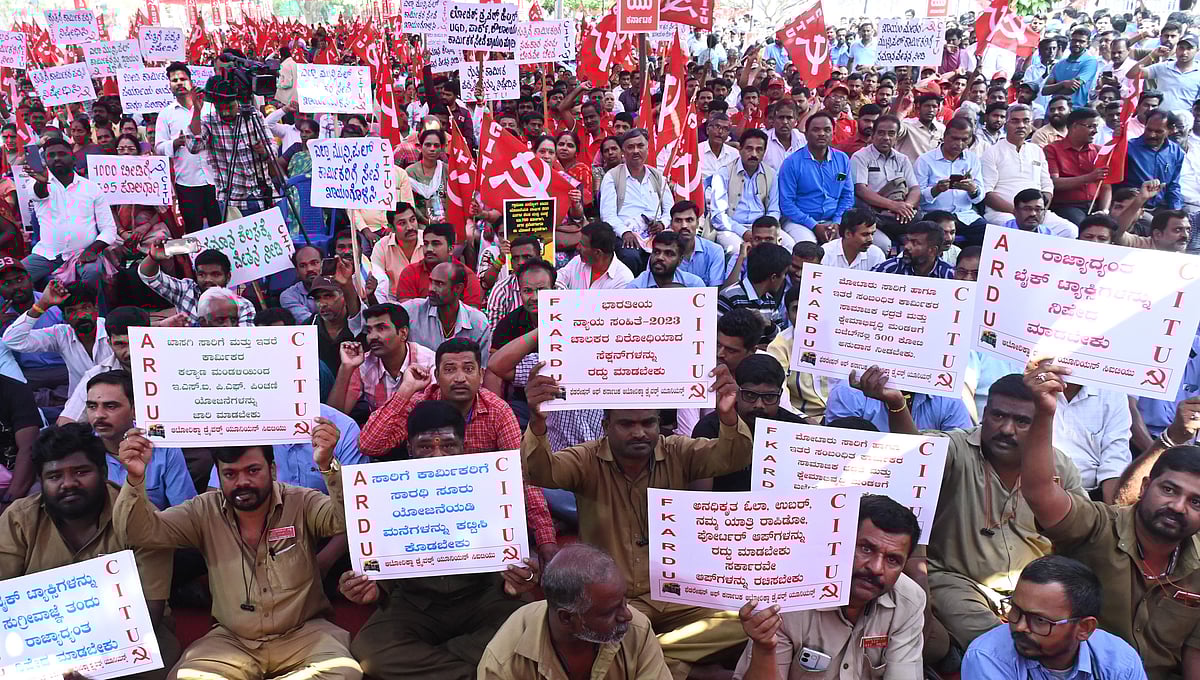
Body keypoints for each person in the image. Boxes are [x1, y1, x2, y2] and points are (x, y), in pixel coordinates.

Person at [522, 360, 751, 679]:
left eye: (648, 422)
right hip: (616, 604)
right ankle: (681, 666)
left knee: (747, 618)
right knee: (596, 632)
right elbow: (538, 471)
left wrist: (727, 417)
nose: (640, 432)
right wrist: (537, 422)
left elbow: (734, 456)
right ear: (606, 425)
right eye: (627, 424)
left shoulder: (677, 452)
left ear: (660, 424)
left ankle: (658, 658)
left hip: (676, 595)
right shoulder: (587, 459)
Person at [858, 367, 1085, 655]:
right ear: (984, 412)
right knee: (1000, 644)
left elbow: (1080, 532)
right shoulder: (957, 447)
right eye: (998, 415)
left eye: (1022, 421)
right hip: (957, 581)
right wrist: (896, 404)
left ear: (1041, 423)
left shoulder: (1060, 466)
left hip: (1035, 587)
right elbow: (914, 456)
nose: (1006, 429)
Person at [114, 417, 361, 680]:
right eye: (230, 474)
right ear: (219, 476)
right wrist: (135, 478)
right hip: (233, 641)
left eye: (253, 470)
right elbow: (138, 533)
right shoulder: (203, 510)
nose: (242, 482)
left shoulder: (301, 501)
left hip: (305, 634)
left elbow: (348, 519)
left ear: (273, 470)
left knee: (342, 673)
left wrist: (327, 467)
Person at [1019, 359, 1200, 680]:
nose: (1177, 506)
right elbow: (1039, 491)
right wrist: (1044, 412)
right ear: (1145, 487)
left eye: (1196, 501)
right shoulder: (1098, 526)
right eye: (1170, 489)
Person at [342, 400, 543, 680]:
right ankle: (481, 668)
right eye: (426, 447)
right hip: (415, 603)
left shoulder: (492, 483)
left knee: (530, 628)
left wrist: (522, 575)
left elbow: (517, 557)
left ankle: (438, 664)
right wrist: (370, 588)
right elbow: (379, 568)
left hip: (483, 597)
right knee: (369, 651)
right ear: (410, 449)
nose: (437, 456)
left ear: (463, 446)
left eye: (448, 446)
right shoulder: (383, 491)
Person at [0, 423, 180, 679]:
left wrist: (97, 665)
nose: (68, 484)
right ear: (41, 481)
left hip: (133, 641)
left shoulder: (140, 516)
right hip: (40, 647)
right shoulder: (18, 519)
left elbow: (151, 608)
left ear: (104, 471)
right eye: (54, 476)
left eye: (81, 472)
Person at [733, 495, 926, 680]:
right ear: (838, 543)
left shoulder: (908, 601)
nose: (875, 568)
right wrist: (765, 649)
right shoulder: (788, 597)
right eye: (866, 549)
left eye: (893, 560)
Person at [478, 543, 673, 680]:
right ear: (567, 618)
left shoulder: (637, 628)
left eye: (623, 600)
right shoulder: (505, 661)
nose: (627, 614)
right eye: (609, 612)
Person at [961, 556, 1147, 679]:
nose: (1020, 627)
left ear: (1084, 629)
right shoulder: (987, 657)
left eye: (1040, 620)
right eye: (1016, 610)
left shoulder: (1119, 662)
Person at [83, 369, 194, 510]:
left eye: (110, 406)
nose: (99, 415)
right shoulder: (81, 450)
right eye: (92, 406)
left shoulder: (162, 446)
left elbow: (184, 513)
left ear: (136, 409)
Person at [692, 354, 805, 491]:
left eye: (769, 397)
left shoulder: (797, 430)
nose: (759, 405)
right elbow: (700, 496)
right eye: (750, 395)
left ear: (780, 395)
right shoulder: (709, 428)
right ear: (737, 393)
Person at [19, 137, 116, 286]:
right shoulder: (36, 183)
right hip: (47, 255)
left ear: (73, 158)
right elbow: (39, 194)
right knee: (14, 279)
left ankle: (95, 309)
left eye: (62, 154)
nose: (57, 158)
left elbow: (109, 229)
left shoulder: (91, 188)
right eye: (51, 155)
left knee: (93, 273)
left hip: (84, 253)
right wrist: (42, 182)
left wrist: (92, 250)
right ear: (45, 160)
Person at [184, 66, 277, 218]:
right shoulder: (209, 122)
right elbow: (194, 146)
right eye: (222, 109)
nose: (226, 112)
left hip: (263, 195)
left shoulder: (254, 116)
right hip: (233, 201)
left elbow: (273, 149)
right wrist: (197, 111)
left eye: (230, 107)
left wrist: (264, 151)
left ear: (237, 101)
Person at [2, 280, 110, 394]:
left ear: (96, 309)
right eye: (72, 311)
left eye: (86, 308)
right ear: (64, 316)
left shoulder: (111, 330)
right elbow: (12, 340)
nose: (81, 315)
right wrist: (42, 304)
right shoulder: (61, 334)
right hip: (80, 404)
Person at [981, 105, 1075, 235]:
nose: (1021, 125)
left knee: (1069, 231)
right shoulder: (992, 152)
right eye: (1015, 121)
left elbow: (1047, 186)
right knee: (1014, 229)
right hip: (1004, 213)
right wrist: (1019, 212)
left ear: (1031, 125)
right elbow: (987, 194)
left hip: (1036, 212)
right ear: (1006, 124)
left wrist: (1039, 212)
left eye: (1026, 121)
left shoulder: (1036, 150)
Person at [327, 303, 435, 414]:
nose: (372, 336)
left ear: (403, 333)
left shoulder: (428, 361)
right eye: (369, 331)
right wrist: (346, 367)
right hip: (380, 429)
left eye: (381, 328)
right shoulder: (363, 364)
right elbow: (334, 418)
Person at [56, 305, 145, 424]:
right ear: (109, 343)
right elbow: (66, 422)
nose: (129, 351)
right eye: (121, 344)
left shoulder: (171, 365)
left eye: (136, 343)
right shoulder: (96, 375)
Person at [778, 112, 855, 244]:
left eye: (827, 130)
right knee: (808, 247)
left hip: (834, 219)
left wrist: (837, 221)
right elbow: (787, 204)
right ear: (806, 134)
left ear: (833, 133)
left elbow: (847, 195)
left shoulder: (842, 159)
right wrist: (813, 225)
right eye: (816, 130)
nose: (822, 134)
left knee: (848, 244)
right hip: (800, 222)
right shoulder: (791, 163)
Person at [599, 129, 674, 262]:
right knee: (630, 256)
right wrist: (625, 232)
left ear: (647, 148)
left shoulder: (657, 177)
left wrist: (662, 224)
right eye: (630, 147)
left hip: (656, 233)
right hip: (625, 234)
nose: (635, 151)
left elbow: (669, 210)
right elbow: (608, 215)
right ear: (623, 152)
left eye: (640, 146)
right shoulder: (612, 177)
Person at [138, 243, 257, 325]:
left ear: (228, 277)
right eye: (202, 274)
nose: (208, 280)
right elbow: (149, 277)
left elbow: (245, 341)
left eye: (215, 274)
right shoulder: (186, 290)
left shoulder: (243, 306)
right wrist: (153, 258)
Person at [709, 128, 784, 255]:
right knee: (737, 252)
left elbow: (774, 210)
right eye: (749, 149)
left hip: (764, 228)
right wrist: (743, 232)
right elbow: (718, 216)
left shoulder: (771, 174)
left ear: (764, 152)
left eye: (759, 149)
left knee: (789, 246)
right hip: (732, 228)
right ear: (740, 149)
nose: (754, 154)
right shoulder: (724, 173)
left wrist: (766, 231)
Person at [852, 114, 921, 245]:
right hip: (874, 212)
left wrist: (906, 207)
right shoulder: (860, 157)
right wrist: (893, 206)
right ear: (873, 135)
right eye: (881, 133)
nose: (886, 138)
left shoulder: (902, 159)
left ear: (896, 137)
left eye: (891, 133)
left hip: (899, 214)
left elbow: (915, 189)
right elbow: (860, 190)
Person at [399, 262, 491, 360]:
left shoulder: (478, 323)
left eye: (439, 284)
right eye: (430, 282)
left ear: (458, 288)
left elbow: (482, 368)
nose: (431, 289)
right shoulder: (412, 310)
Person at [916, 117, 986, 243]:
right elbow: (917, 198)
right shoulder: (925, 160)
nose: (959, 144)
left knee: (986, 233)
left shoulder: (972, 159)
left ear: (970, 139)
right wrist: (936, 190)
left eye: (964, 140)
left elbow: (980, 196)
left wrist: (973, 190)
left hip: (964, 215)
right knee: (935, 235)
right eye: (954, 138)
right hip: (935, 216)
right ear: (945, 135)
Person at [391, 223, 484, 307]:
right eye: (426, 244)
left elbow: (472, 315)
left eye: (436, 244)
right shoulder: (410, 272)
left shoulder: (467, 276)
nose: (429, 249)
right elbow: (407, 312)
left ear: (451, 249)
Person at [1046, 108, 1110, 224]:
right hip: (1066, 206)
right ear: (1075, 126)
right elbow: (1053, 183)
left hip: (1095, 206)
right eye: (1091, 126)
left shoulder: (1099, 151)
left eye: (1096, 127)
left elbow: (1106, 186)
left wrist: (1104, 210)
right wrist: (1089, 178)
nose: (1095, 131)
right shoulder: (1052, 150)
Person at [718, 243, 790, 345]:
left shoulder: (769, 301)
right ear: (773, 277)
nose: (784, 279)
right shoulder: (729, 296)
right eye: (784, 274)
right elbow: (717, 336)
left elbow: (782, 338)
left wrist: (768, 324)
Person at [1119, 111, 1184, 212]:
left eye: (1158, 132)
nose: (1152, 135)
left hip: (1161, 207)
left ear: (1171, 130)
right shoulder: (1128, 148)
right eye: (1148, 130)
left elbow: (1173, 185)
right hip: (1132, 207)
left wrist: (1176, 211)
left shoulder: (1176, 152)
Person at [1126, 33, 1200, 113]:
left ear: (1197, 50)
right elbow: (1131, 74)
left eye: (1189, 48)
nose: (1184, 52)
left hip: (1184, 121)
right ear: (1176, 49)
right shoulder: (1162, 67)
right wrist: (1152, 55)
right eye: (1181, 48)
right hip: (1158, 118)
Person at [491, 259, 556, 350]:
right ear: (520, 291)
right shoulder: (508, 325)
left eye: (542, 290)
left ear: (554, 290)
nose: (535, 298)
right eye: (527, 291)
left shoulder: (571, 319)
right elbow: (494, 362)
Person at [560, 221, 635, 290]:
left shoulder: (623, 280)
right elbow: (559, 279)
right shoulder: (577, 261)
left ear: (598, 252)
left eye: (582, 245)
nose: (577, 247)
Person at [872, 220, 955, 278]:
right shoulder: (889, 269)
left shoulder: (949, 275)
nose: (907, 246)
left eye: (915, 243)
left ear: (932, 250)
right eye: (907, 240)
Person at [1043, 28, 1100, 109]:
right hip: (1053, 110)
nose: (1077, 43)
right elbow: (1044, 90)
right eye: (1074, 40)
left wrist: (1054, 88)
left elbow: (1071, 89)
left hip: (1075, 110)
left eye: (1081, 41)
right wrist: (1063, 84)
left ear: (1088, 44)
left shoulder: (1090, 62)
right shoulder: (1060, 64)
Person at [627, 231, 706, 289]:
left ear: (680, 260)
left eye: (668, 254)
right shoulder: (636, 288)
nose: (660, 257)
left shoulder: (694, 285)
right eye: (656, 252)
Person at [819, 208, 885, 271]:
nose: (871, 239)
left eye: (872, 234)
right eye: (865, 234)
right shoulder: (826, 253)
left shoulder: (877, 255)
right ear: (848, 234)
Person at [896, 93, 947, 163]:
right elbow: (892, 128)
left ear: (938, 109)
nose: (931, 110)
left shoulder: (941, 129)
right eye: (927, 106)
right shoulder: (907, 126)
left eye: (934, 106)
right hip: (909, 171)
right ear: (918, 108)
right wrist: (901, 113)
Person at [1007, 189, 1079, 238]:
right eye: (1027, 209)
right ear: (1015, 211)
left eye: (1038, 209)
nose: (1033, 214)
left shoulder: (1049, 236)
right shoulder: (1002, 231)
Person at [279, 245, 322, 324]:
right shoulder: (288, 296)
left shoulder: (339, 288)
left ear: (323, 264)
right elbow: (309, 323)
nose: (310, 269)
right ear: (297, 271)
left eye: (314, 263)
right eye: (303, 266)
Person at [763, 100, 803, 172]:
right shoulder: (764, 140)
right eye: (781, 117)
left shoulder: (802, 139)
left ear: (796, 120)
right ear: (774, 119)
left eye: (789, 118)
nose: (785, 122)